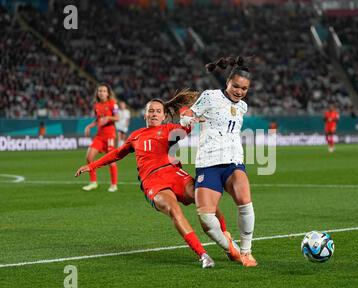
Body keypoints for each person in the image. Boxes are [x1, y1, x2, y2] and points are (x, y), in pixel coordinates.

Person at [75, 91, 240, 268]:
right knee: (173, 210)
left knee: (206, 200)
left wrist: (186, 117)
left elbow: (185, 128)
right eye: (151, 111)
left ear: (163, 116)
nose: (154, 114)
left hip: (174, 174)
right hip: (153, 181)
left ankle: (227, 239)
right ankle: (203, 255)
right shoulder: (136, 135)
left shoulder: (169, 130)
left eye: (158, 111)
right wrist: (92, 166)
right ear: (145, 114)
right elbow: (117, 154)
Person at [181, 56, 258, 267]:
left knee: (245, 199)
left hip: (234, 161)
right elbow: (186, 115)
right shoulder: (210, 97)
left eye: (244, 88)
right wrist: (189, 119)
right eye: (236, 86)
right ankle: (230, 247)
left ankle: (247, 251)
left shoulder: (243, 106)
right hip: (208, 162)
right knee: (206, 218)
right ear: (228, 83)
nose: (239, 91)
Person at [83, 83, 120, 192]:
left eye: (104, 91)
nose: (102, 93)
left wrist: (108, 117)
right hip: (99, 136)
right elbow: (98, 120)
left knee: (111, 160)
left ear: (108, 93)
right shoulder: (97, 105)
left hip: (110, 136)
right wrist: (89, 126)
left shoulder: (113, 104)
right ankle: (93, 182)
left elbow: (117, 118)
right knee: (89, 157)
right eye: (100, 91)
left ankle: (114, 185)